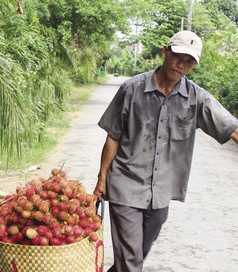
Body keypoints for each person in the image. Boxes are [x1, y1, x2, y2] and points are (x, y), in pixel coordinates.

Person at [93, 30, 238, 272]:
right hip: (125, 185)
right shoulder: (131, 89)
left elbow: (232, 129)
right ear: (165, 52)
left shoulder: (196, 98)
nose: (182, 64)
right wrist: (101, 180)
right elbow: (113, 136)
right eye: (178, 56)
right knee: (132, 262)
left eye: (190, 61)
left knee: (134, 256)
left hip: (160, 194)